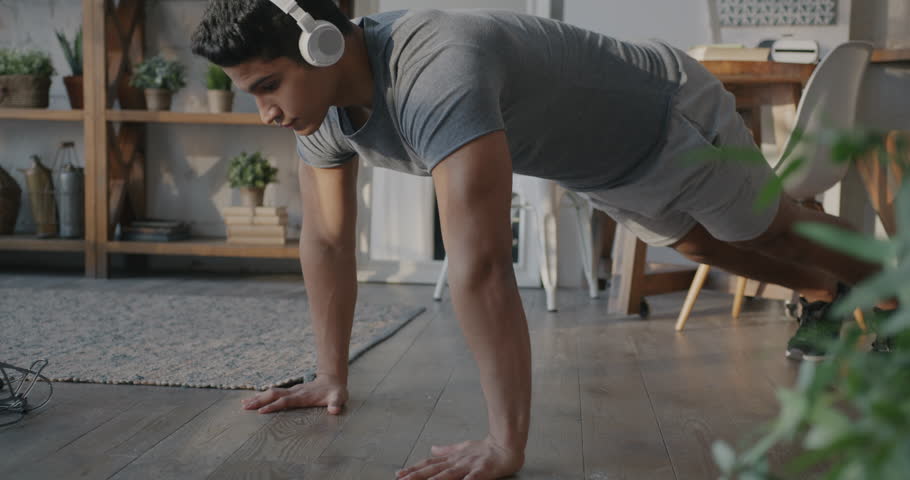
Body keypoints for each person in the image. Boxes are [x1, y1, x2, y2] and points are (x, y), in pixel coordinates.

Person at [191, 1, 893, 478]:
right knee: (703, 248)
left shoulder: (434, 69)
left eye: (269, 85)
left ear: (322, 43)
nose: (266, 113)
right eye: (252, 93)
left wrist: (505, 444)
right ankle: (832, 291)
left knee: (765, 228)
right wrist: (330, 376)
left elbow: (483, 265)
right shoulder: (322, 118)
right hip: (599, 163)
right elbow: (326, 241)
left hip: (666, 111)